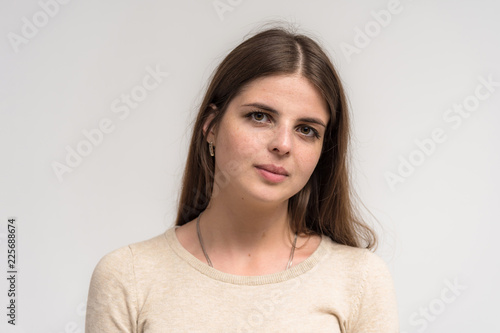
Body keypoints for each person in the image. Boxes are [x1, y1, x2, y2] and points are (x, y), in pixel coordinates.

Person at [85, 24, 399, 332]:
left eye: (306, 130)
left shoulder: (360, 280)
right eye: (260, 116)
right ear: (211, 126)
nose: (283, 144)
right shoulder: (128, 276)